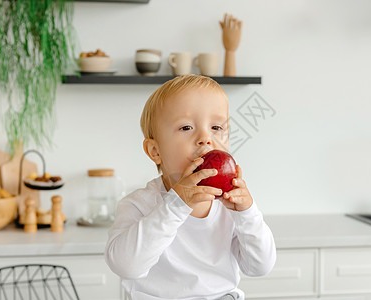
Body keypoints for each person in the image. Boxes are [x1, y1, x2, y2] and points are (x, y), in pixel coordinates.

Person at [105, 74, 276, 300]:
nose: (205, 138)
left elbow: (259, 267)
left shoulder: (230, 205)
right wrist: (176, 204)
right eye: (186, 127)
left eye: (216, 127)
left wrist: (247, 213)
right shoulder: (138, 205)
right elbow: (126, 266)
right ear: (155, 151)